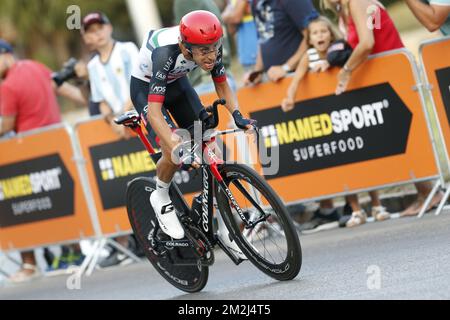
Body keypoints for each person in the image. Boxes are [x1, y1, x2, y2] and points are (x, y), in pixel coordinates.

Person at [130, 10, 256, 258]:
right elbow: (155, 114)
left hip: (177, 84)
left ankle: (225, 229)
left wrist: (238, 115)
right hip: (147, 88)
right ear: (185, 47)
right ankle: (161, 195)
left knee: (212, 147)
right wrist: (176, 146)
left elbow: (222, 85)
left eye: (214, 48)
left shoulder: (210, 47)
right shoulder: (165, 53)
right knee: (173, 151)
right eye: (203, 51)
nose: (211, 56)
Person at [320, 0, 442, 221]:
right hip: (382, 79)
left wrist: (346, 71)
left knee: (403, 134)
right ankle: (425, 193)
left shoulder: (358, 3)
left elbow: (367, 43)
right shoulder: (347, 9)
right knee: (397, 136)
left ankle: (429, 192)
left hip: (393, 75)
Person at [0, 39, 86, 283]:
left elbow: (5, 125)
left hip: (28, 154)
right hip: (57, 146)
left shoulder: (7, 86)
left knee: (21, 206)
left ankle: (29, 265)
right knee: (60, 203)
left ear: (6, 55)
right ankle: (74, 254)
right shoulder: (36, 66)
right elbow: (65, 90)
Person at [80, 12, 143, 268]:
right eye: (91, 30)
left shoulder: (127, 49)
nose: (97, 33)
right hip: (118, 128)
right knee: (126, 182)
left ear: (109, 27)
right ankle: (134, 240)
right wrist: (112, 119)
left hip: (139, 122)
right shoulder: (93, 66)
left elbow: (137, 82)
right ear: (86, 37)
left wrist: (123, 115)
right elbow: (100, 100)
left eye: (100, 27)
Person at [244, 0, 318, 86]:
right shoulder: (255, 3)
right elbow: (263, 38)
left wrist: (286, 67)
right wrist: (257, 72)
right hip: (274, 80)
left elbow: (313, 34)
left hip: (301, 78)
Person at [173, 0, 237, 95]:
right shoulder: (208, 3)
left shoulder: (185, 2)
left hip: (207, 80)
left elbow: (184, 38)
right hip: (222, 75)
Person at [222, 0, 259, 71]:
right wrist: (230, 15)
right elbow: (231, 29)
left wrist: (229, 14)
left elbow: (236, 18)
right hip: (245, 54)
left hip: (257, 52)